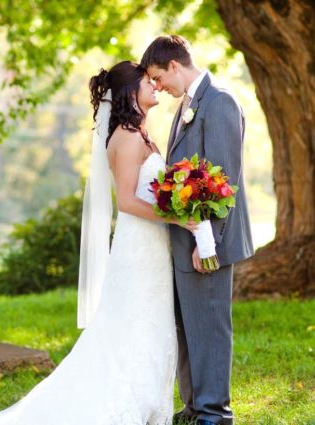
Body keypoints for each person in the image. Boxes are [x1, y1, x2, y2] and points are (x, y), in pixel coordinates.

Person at [0, 60, 196, 425]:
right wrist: (174, 217)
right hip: (137, 250)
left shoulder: (141, 133)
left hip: (155, 249)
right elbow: (125, 201)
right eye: (146, 81)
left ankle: (150, 404)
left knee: (153, 324)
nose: (154, 86)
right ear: (128, 92)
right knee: (133, 323)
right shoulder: (124, 137)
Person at [140, 35, 254, 425]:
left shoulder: (219, 101)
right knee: (189, 327)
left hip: (207, 243)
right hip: (186, 239)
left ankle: (214, 411)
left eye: (158, 77)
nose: (157, 87)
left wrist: (208, 245)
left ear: (175, 65)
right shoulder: (186, 105)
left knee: (209, 324)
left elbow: (224, 183)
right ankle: (194, 406)